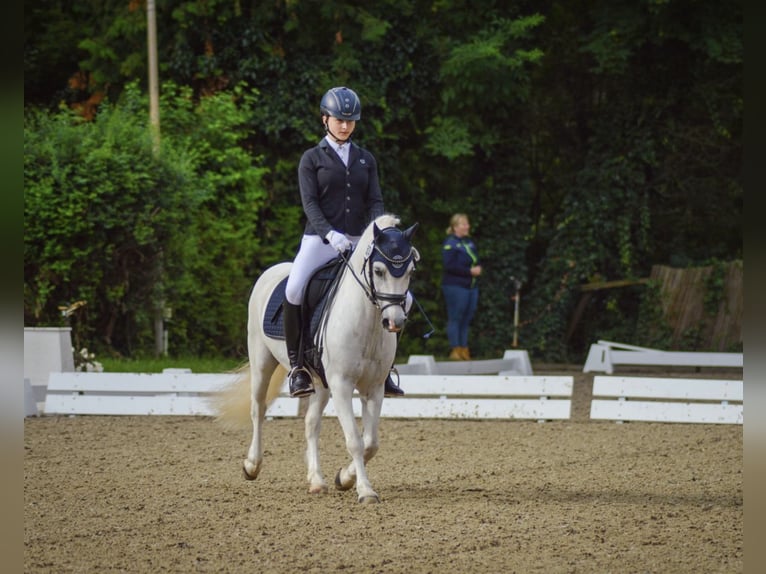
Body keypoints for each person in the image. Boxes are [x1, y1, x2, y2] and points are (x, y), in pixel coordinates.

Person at [283, 86, 405, 398]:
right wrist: (330, 234)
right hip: (320, 239)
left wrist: (378, 232)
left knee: (398, 295)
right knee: (294, 288)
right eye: (339, 119)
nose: (345, 125)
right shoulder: (312, 159)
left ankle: (385, 367)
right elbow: (310, 205)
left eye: (350, 120)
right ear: (325, 119)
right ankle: (298, 368)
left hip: (360, 241)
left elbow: (375, 201)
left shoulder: (366, 160)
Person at [441, 213, 482, 360]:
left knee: (467, 318)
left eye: (467, 223)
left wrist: (478, 268)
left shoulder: (468, 242)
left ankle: (464, 349)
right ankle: (455, 349)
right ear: (455, 227)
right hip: (455, 286)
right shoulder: (450, 243)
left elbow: (476, 259)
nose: (467, 226)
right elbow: (449, 265)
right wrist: (469, 271)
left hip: (471, 286)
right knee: (455, 317)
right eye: (463, 224)